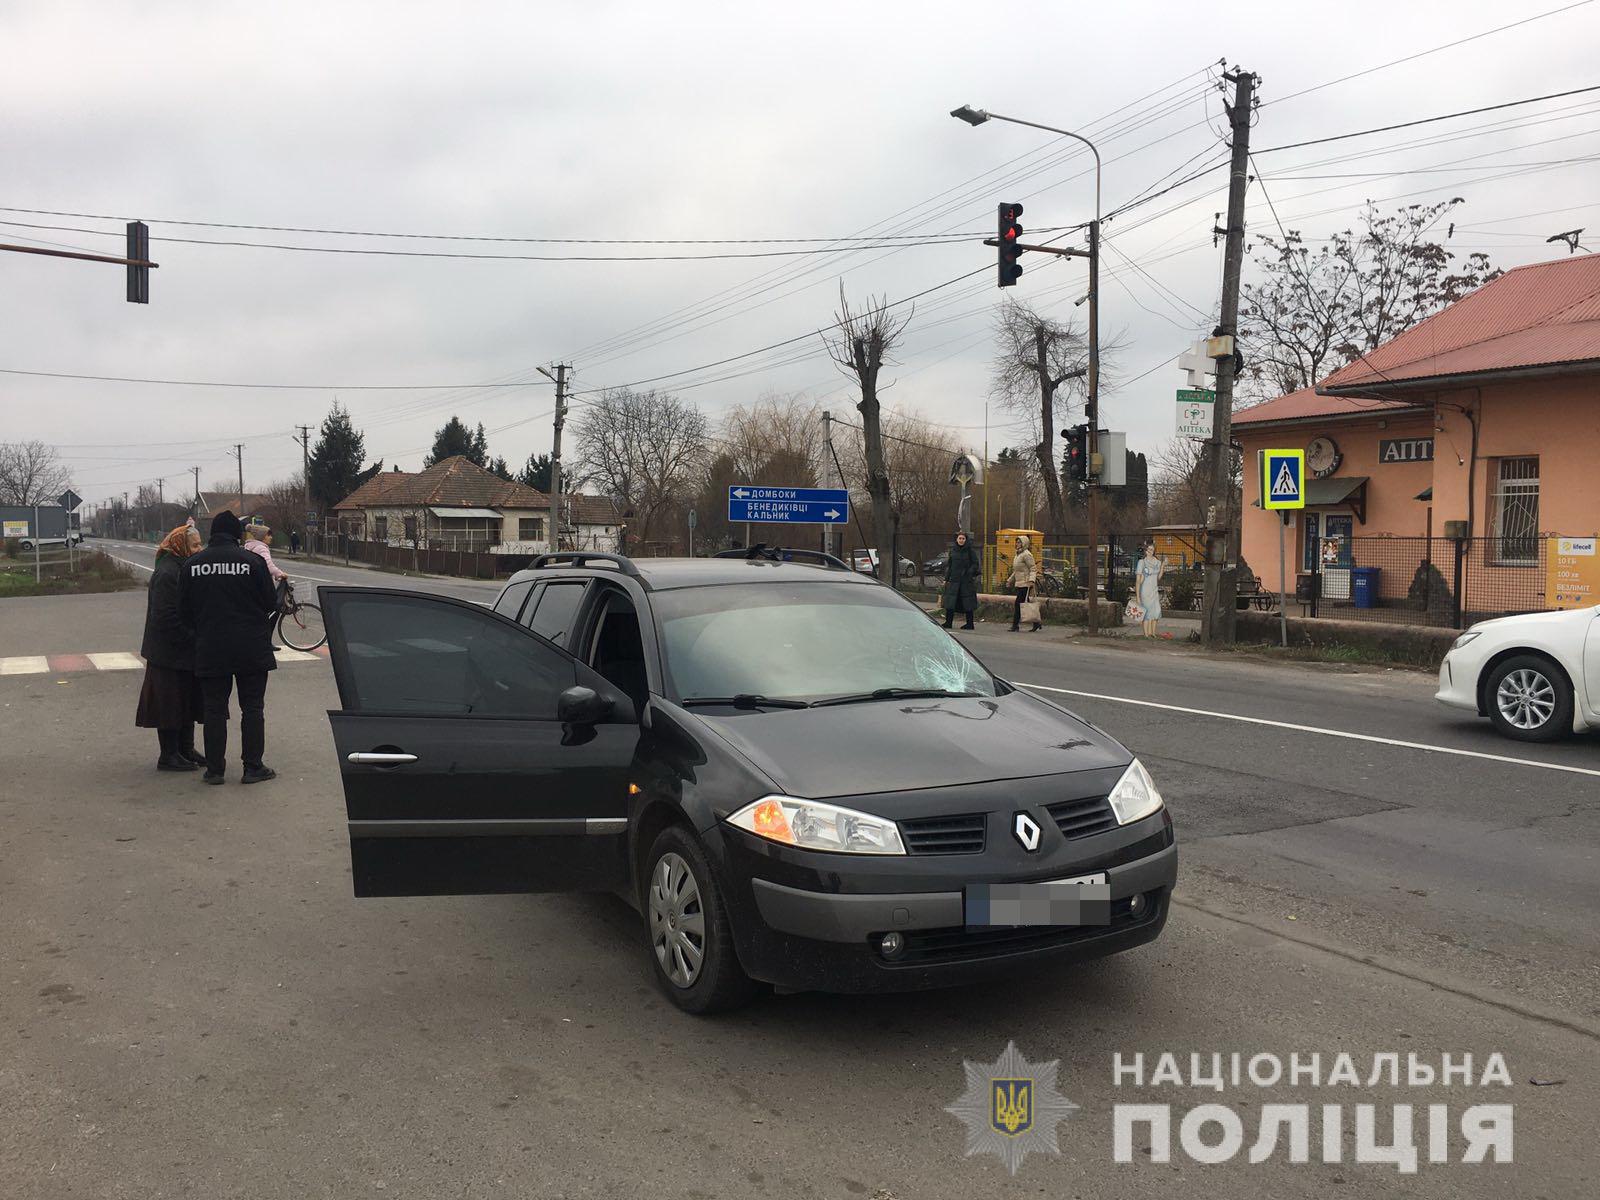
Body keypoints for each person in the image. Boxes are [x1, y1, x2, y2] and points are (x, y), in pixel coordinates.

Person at [181, 511, 278, 785]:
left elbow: (183, 610)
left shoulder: (193, 564)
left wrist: (200, 634)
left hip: (211, 647)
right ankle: (253, 767)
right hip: (251, 647)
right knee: (252, 708)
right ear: (238, 534)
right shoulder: (254, 562)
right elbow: (270, 602)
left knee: (214, 710)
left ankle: (214, 770)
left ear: (212, 534)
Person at [135, 523, 206, 772]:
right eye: (195, 545)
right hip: (167, 651)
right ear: (180, 546)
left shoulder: (182, 567)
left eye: (200, 544)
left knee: (186, 699)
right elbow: (165, 616)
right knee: (169, 702)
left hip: (181, 650)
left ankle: (185, 749)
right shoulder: (168, 572)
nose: (200, 549)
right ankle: (169, 754)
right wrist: (193, 637)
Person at [242, 519, 289, 650]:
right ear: (262, 536)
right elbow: (268, 565)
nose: (271, 537)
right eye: (269, 535)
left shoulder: (249, 546)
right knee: (274, 610)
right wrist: (280, 574)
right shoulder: (261, 548)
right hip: (262, 587)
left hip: (251, 586)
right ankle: (266, 641)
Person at [940, 530, 980, 630]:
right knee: (951, 602)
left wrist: (969, 572)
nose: (961, 540)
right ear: (956, 540)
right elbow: (950, 566)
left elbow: (975, 564)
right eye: (960, 538)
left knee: (968, 602)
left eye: (963, 539)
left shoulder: (970, 551)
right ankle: (948, 622)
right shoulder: (953, 551)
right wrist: (946, 579)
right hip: (954, 581)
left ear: (966, 540)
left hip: (966, 581)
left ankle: (970, 624)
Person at [1006, 535, 1040, 632]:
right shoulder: (1018, 555)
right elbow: (1016, 570)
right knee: (1025, 603)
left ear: (1024, 543)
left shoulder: (1027, 554)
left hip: (1025, 583)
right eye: (1016, 542)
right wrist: (1010, 580)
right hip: (1020, 583)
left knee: (1018, 604)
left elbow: (1033, 568)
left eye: (1019, 542)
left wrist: (1031, 580)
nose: (1017, 544)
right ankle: (1036, 622)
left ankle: (1015, 625)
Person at [1136, 541, 1165, 638]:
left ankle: (1153, 633)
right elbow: (1138, 581)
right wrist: (1138, 596)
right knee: (1147, 612)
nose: (1150, 551)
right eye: (1149, 549)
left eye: (1152, 550)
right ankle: (1146, 634)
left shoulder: (1157, 562)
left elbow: (1158, 577)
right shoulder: (1142, 562)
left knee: (1156, 611)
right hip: (1145, 591)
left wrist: (1163, 566)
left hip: (1154, 590)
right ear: (1145, 550)